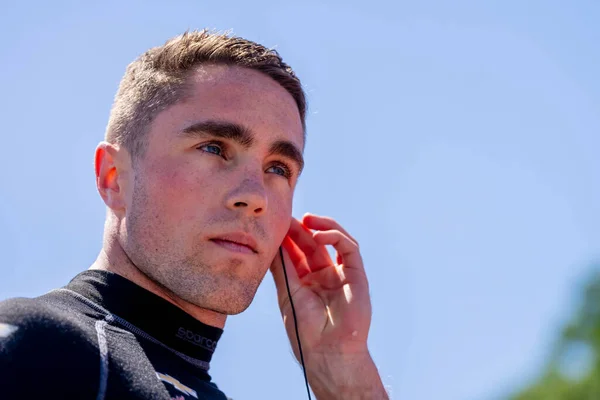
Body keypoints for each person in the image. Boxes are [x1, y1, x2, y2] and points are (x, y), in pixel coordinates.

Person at [0, 30, 388, 400]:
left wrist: (344, 375)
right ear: (114, 178)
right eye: (215, 149)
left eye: (278, 168)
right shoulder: (35, 344)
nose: (255, 197)